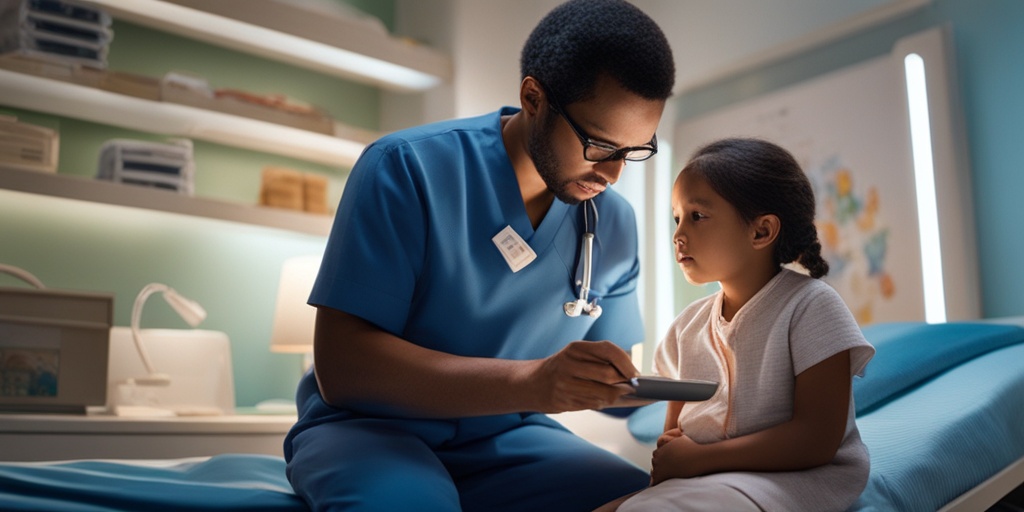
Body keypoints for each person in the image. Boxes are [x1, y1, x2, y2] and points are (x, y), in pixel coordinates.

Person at [283, 1, 676, 510]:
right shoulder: (405, 168)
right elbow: (343, 368)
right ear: (534, 98)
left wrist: (708, 414)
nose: (614, 174)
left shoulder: (612, 225)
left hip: (508, 441)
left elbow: (618, 385)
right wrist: (533, 383)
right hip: (370, 433)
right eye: (600, 145)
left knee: (650, 502)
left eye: (635, 151)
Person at [598, 138, 876, 512]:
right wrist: (678, 464)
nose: (679, 235)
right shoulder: (686, 328)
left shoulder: (812, 306)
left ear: (761, 231)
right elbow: (672, 444)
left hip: (785, 482)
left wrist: (697, 460)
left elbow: (816, 439)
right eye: (676, 218)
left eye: (697, 216)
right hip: (705, 483)